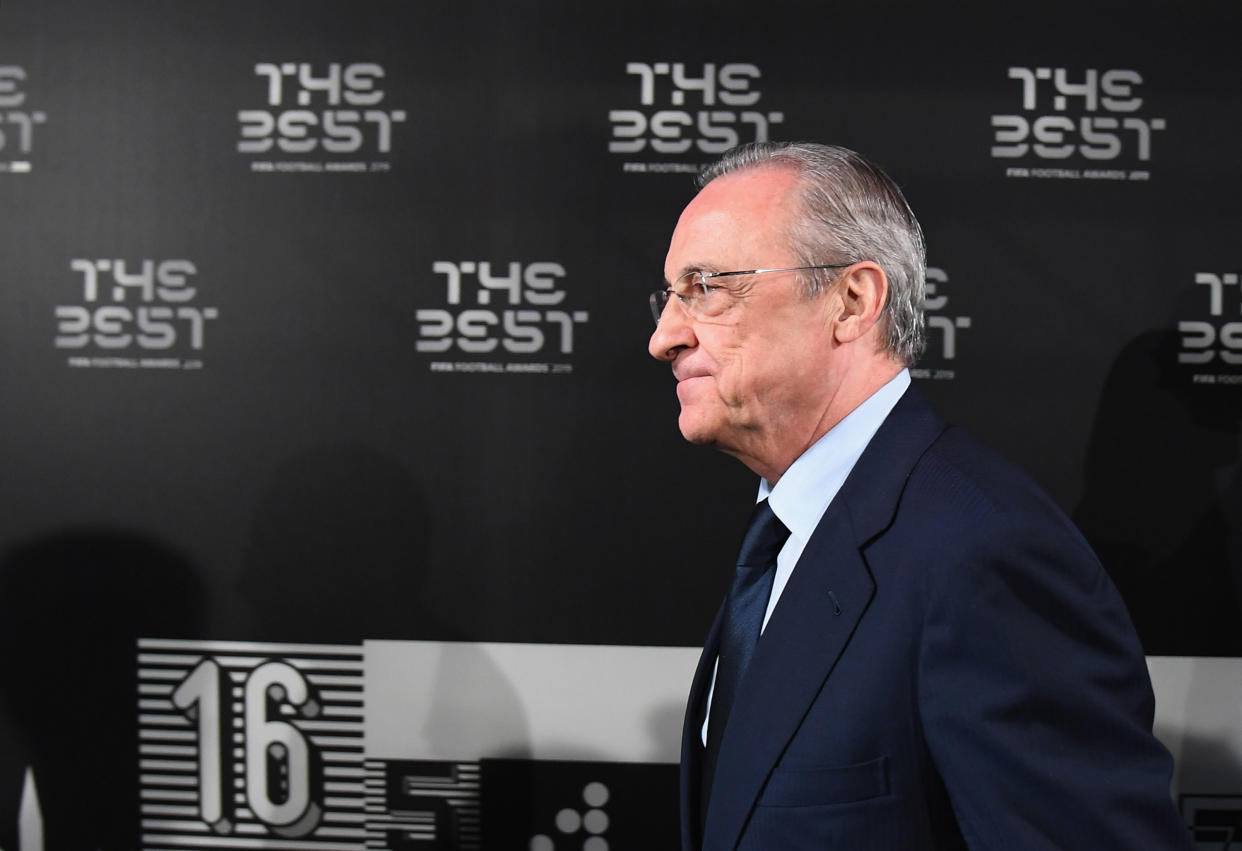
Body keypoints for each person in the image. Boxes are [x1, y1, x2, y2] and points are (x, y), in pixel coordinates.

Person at [647, 141, 1192, 850]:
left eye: (707, 286)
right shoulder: (786, 536)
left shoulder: (983, 552)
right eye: (670, 295)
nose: (664, 336)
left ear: (851, 300)